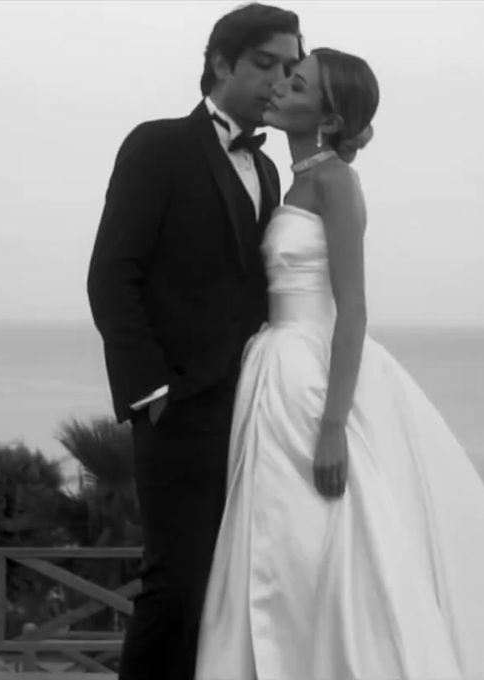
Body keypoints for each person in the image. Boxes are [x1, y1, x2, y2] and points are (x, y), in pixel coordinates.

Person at [193, 47, 484, 680]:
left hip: (314, 381)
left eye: (299, 82)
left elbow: (354, 312)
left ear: (331, 116)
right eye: (288, 75)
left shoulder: (338, 183)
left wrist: (335, 425)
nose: (283, 86)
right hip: (277, 371)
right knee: (278, 545)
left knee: (327, 544)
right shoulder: (294, 177)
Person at [84, 4, 302, 679]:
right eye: (265, 63)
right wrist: (149, 390)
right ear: (219, 63)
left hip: (255, 408)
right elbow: (112, 274)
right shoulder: (158, 145)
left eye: (290, 68)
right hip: (177, 404)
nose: (279, 80)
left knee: (230, 584)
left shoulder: (267, 173)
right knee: (174, 586)